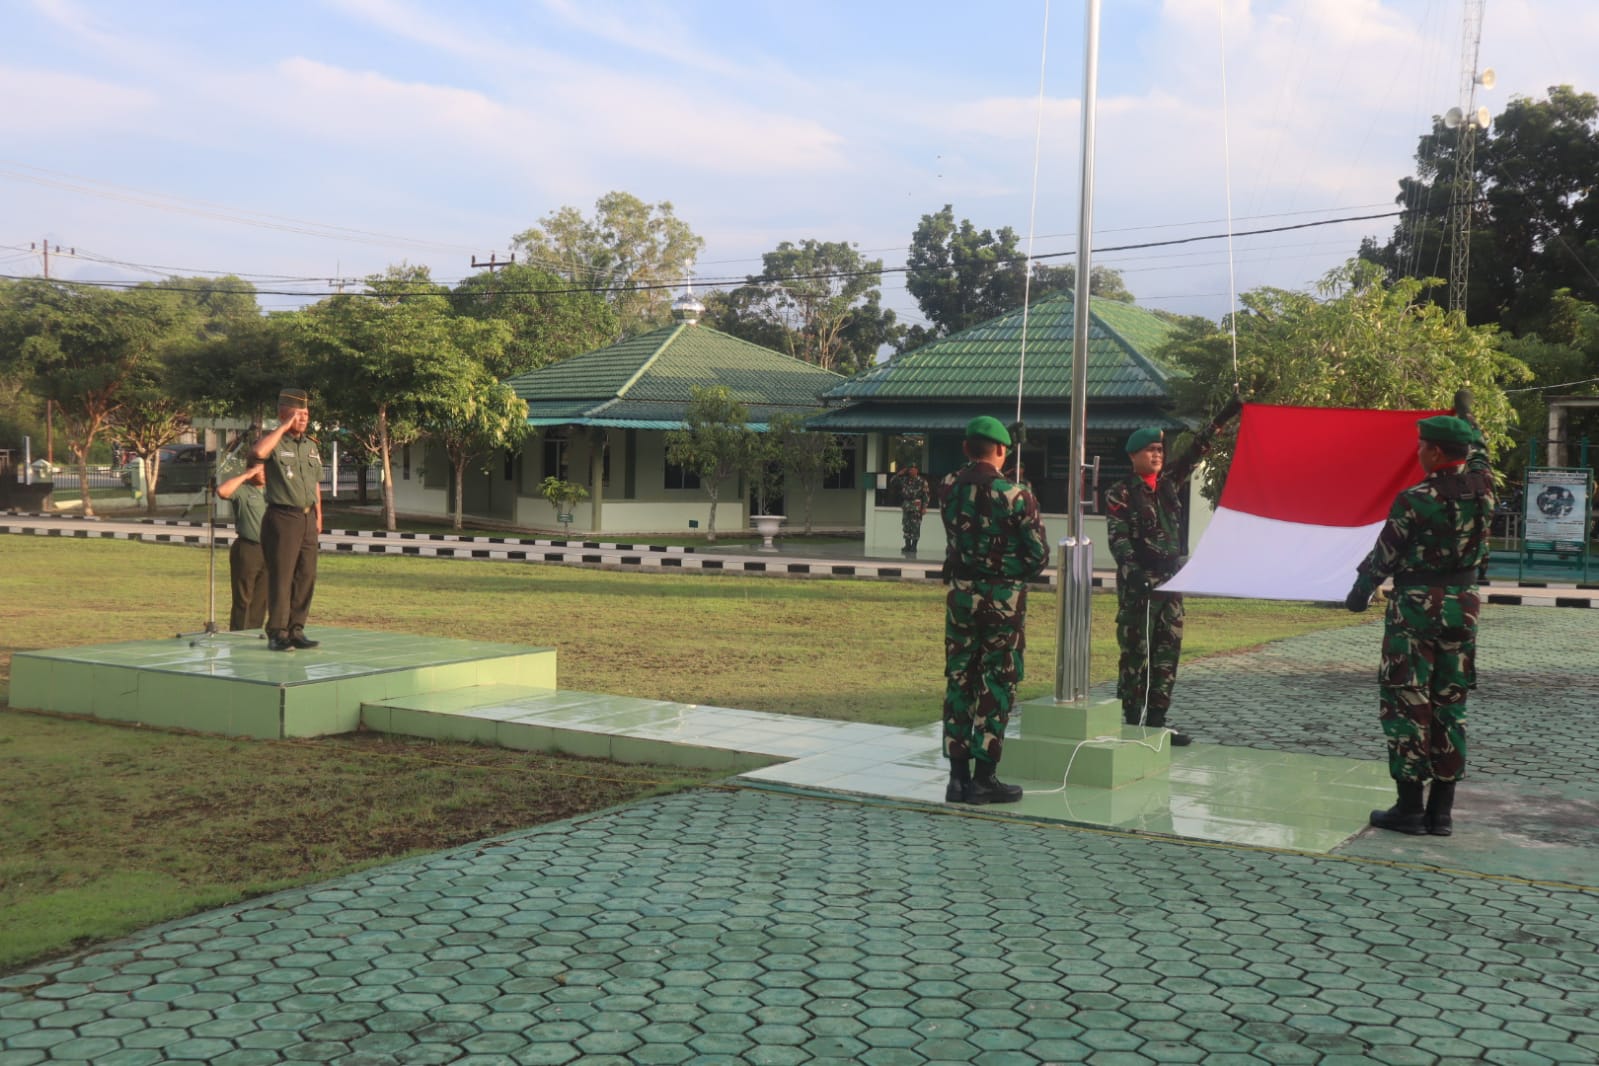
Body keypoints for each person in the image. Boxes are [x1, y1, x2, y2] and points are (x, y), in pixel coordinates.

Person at [1345, 407, 1494, 837]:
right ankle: (1441, 813)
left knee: (1408, 704)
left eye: (1421, 446)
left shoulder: (1416, 499)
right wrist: (1468, 415)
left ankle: (1410, 808)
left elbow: (1384, 556)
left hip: (1415, 609)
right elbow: (1480, 453)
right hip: (1463, 607)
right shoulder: (1484, 488)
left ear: (1432, 451)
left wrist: (1358, 595)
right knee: (1451, 703)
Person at [1105, 398, 1242, 746]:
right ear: (1133, 455)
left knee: (1167, 653)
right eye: (1150, 450)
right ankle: (1133, 722)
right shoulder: (1121, 492)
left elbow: (1198, 449)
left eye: (1160, 450)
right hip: (1140, 586)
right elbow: (1118, 538)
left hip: (1171, 582)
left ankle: (1157, 722)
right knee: (1137, 655)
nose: (1157, 455)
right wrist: (1133, 572)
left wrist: (1224, 413)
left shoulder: (1167, 483)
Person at [938, 416, 1050, 804]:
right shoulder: (1018, 494)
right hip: (1003, 602)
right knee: (996, 682)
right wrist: (1006, 574)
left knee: (960, 680)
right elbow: (1038, 556)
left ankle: (956, 778)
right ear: (1002, 450)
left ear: (967, 448)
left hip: (962, 598)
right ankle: (984, 778)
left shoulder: (948, 487)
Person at [252, 388, 323, 652]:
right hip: (282, 517)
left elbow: (315, 484)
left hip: (307, 519)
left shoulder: (310, 446)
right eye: (297, 413)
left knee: (306, 575)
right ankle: (277, 632)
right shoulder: (274, 442)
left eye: (306, 413)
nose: (303, 418)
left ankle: (296, 629)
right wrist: (282, 429)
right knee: (282, 577)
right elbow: (257, 454)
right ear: (283, 414)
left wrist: (318, 516)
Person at [216, 460, 269, 632]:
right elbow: (222, 491)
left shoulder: (274, 493)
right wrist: (247, 474)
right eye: (260, 470)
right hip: (248, 549)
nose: (264, 473)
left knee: (262, 598)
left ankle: (254, 633)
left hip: (269, 551)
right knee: (243, 597)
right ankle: (238, 633)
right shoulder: (244, 491)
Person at [894, 462, 931, 555]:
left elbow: (926, 495)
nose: (912, 471)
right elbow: (893, 482)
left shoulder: (922, 481)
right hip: (907, 506)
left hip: (916, 507)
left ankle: (914, 546)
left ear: (917, 470)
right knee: (906, 526)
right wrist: (899, 474)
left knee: (915, 527)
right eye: (910, 469)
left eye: (914, 469)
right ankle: (907, 545)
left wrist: (924, 507)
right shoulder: (905, 480)